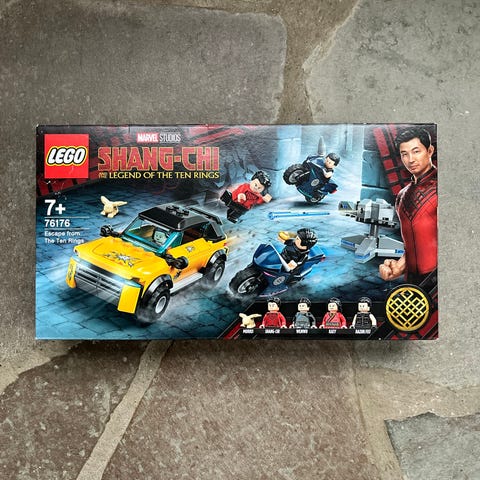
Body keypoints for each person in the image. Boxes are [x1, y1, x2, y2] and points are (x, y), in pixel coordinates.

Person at [379, 127, 437, 286]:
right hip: (413, 284)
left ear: (429, 151)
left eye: (416, 151)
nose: (410, 159)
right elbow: (414, 245)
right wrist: (399, 267)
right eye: (404, 154)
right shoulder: (402, 196)